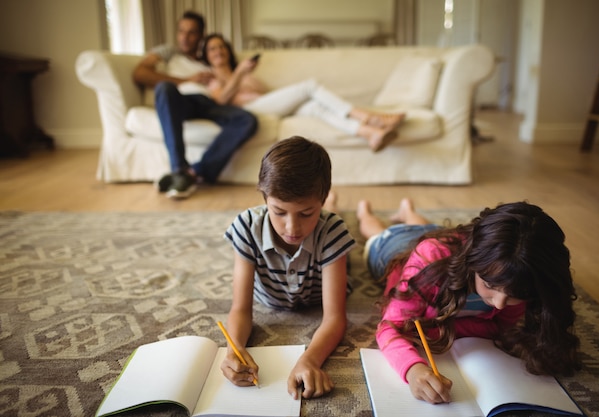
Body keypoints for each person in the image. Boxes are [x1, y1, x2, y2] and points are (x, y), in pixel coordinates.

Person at [357, 198, 581, 405]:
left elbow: (499, 327)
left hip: (441, 236)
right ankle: (363, 210)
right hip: (396, 252)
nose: (500, 304)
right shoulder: (429, 259)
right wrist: (414, 370)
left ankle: (408, 210)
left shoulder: (517, 273)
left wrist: (440, 329)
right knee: (376, 233)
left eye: (515, 295)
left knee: (424, 226)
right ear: (473, 262)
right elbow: (389, 327)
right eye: (491, 286)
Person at [221, 136, 356, 399]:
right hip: (272, 294)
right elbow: (240, 309)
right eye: (279, 212)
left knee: (345, 234)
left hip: (326, 259)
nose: (292, 228)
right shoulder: (247, 226)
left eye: (306, 213)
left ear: (321, 199)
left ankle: (353, 212)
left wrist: (311, 360)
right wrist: (232, 350)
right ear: (264, 197)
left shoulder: (332, 232)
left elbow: (335, 318)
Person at [180, 33, 405, 152]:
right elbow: (221, 101)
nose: (218, 51)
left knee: (315, 107)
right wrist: (239, 74)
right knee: (309, 86)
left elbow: (267, 94)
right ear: (206, 56)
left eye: (221, 46)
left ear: (227, 50)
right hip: (247, 113)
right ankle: (367, 116)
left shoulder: (246, 72)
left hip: (268, 106)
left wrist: (245, 75)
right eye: (212, 48)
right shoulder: (211, 77)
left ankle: (368, 133)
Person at [132, 11, 258, 199]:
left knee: (247, 119)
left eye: (191, 32)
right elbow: (140, 74)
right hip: (180, 100)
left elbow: (228, 81)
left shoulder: (208, 55)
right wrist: (185, 80)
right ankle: (178, 168)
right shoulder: (169, 52)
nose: (185, 37)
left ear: (201, 36)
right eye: (181, 31)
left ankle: (195, 173)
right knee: (164, 88)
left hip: (208, 103)